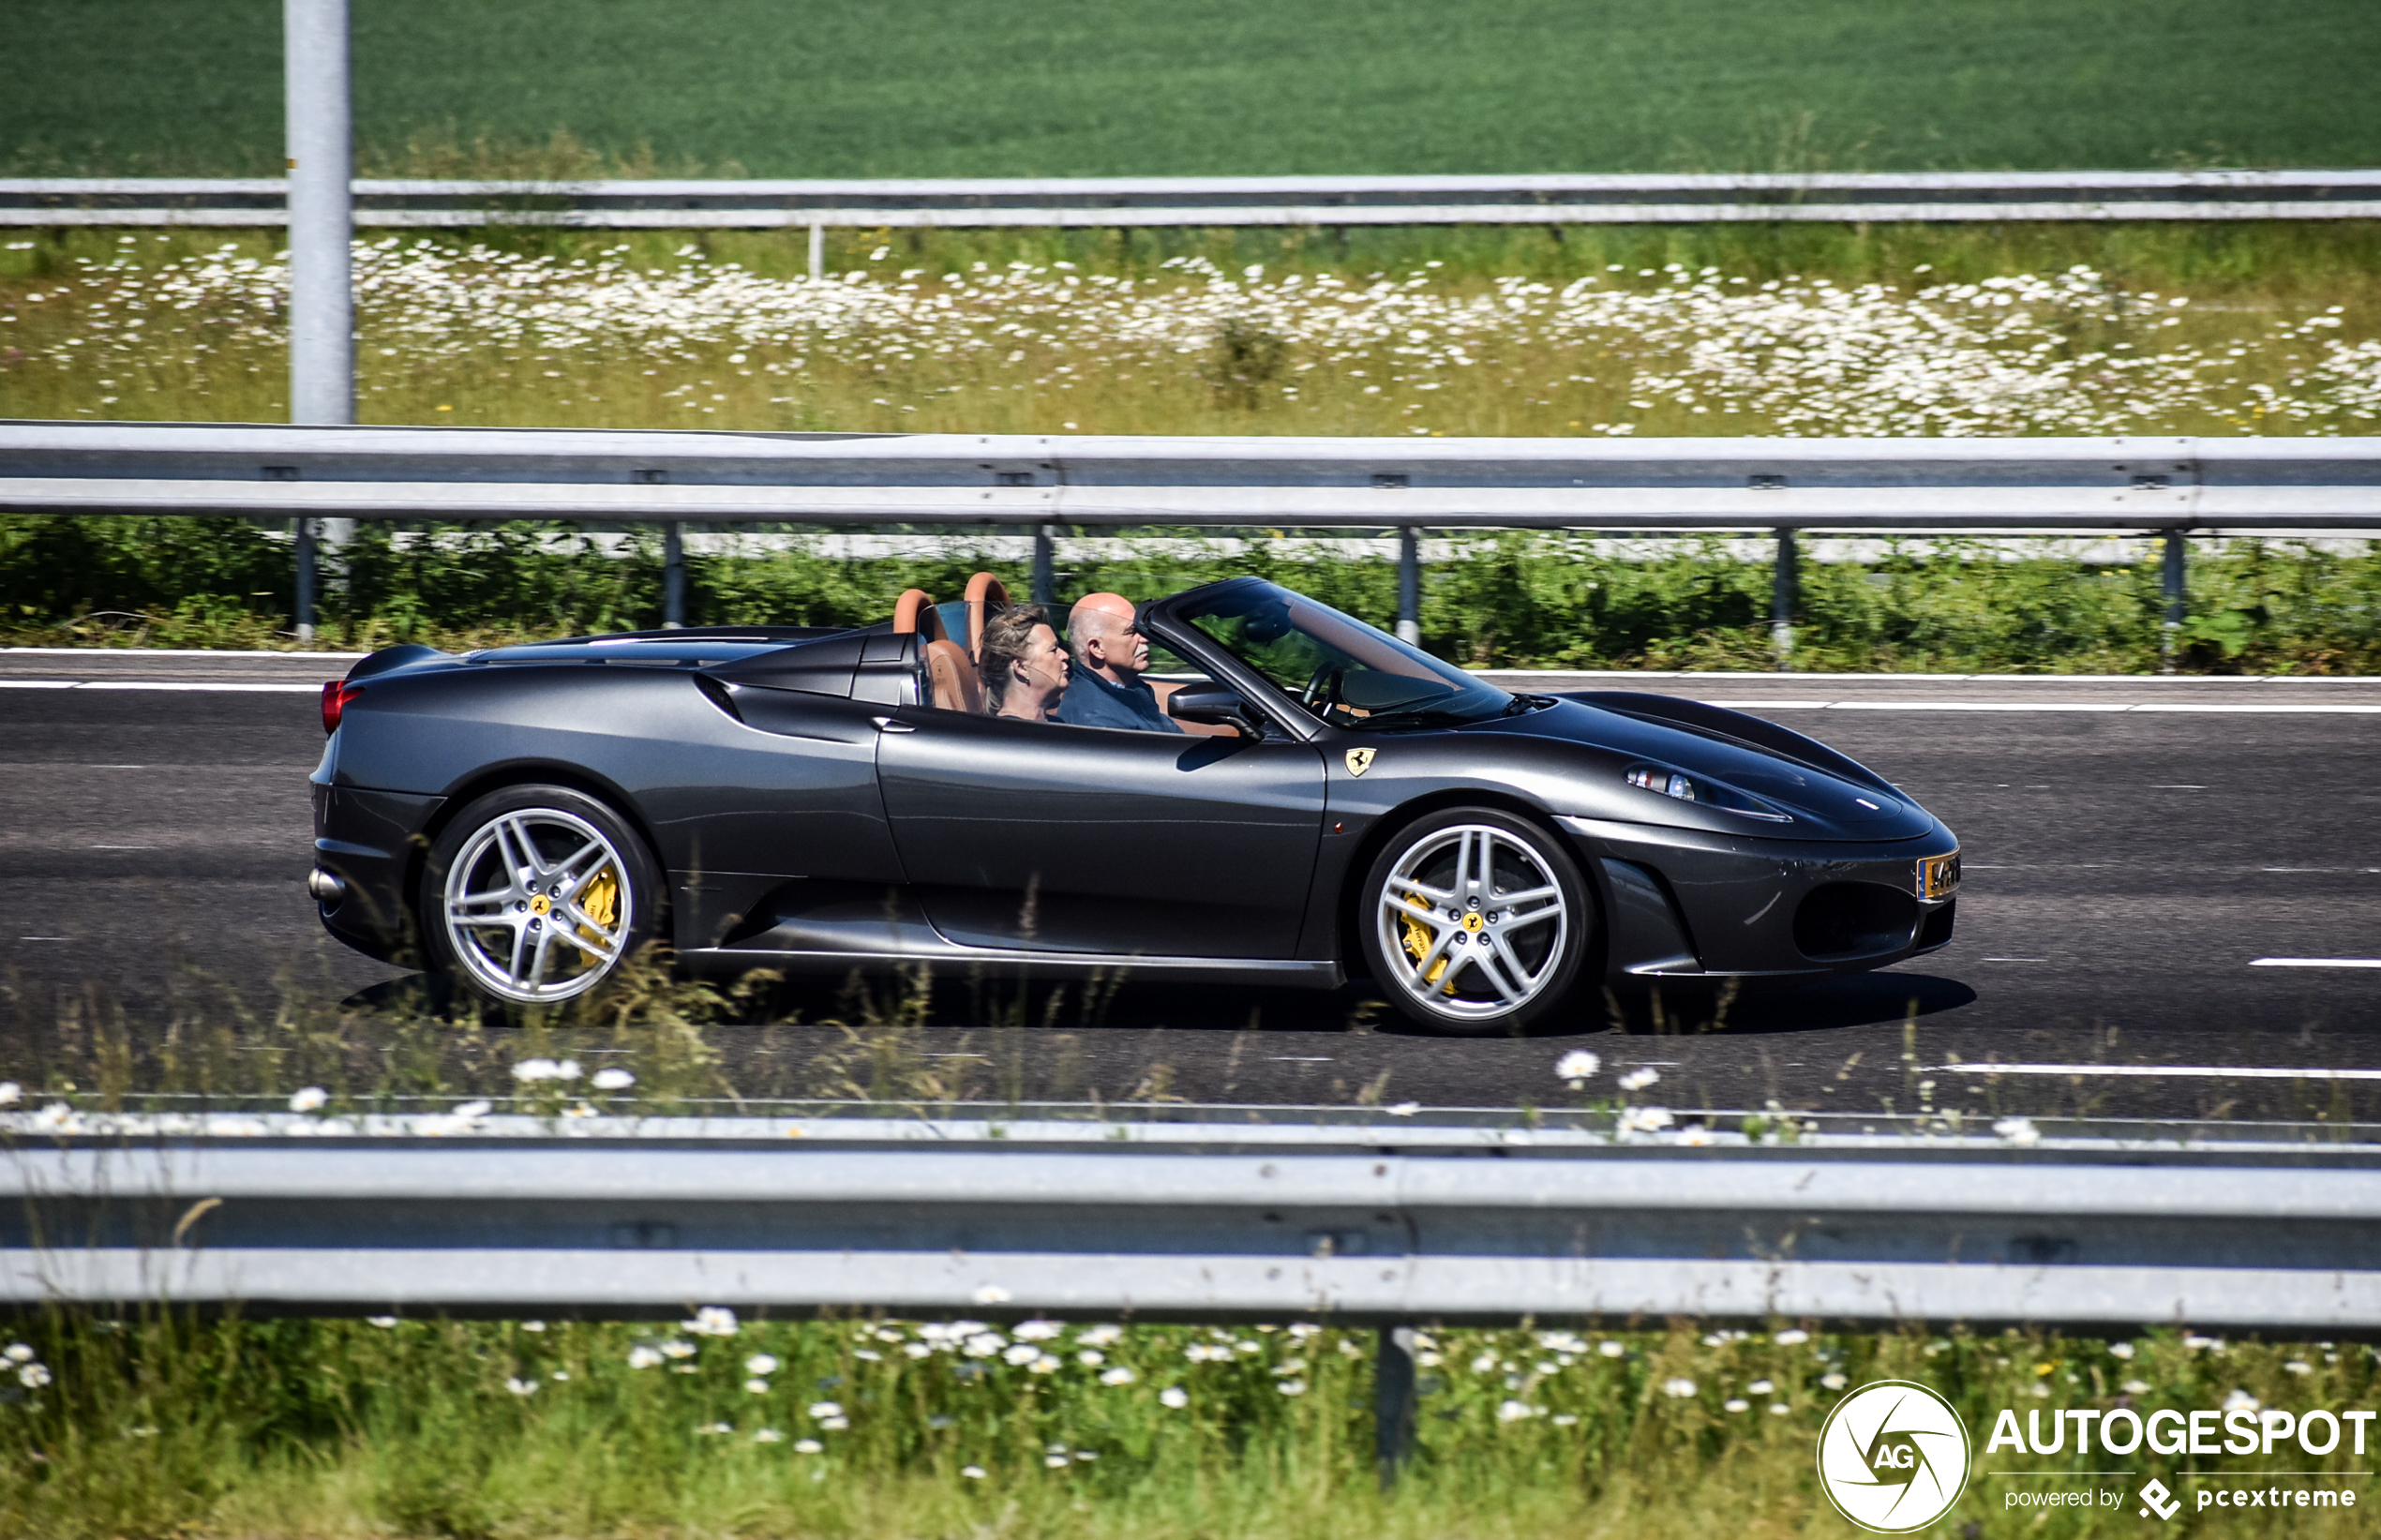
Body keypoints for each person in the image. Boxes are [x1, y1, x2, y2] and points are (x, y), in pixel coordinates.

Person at [1056, 592, 1184, 733]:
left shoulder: (1125, 693)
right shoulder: (1098, 722)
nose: (1144, 638)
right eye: (1131, 632)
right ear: (1097, 648)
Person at [978, 604, 1070, 722]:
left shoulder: (1058, 725)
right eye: (1053, 650)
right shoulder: (1003, 734)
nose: (1065, 656)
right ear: (1021, 667)